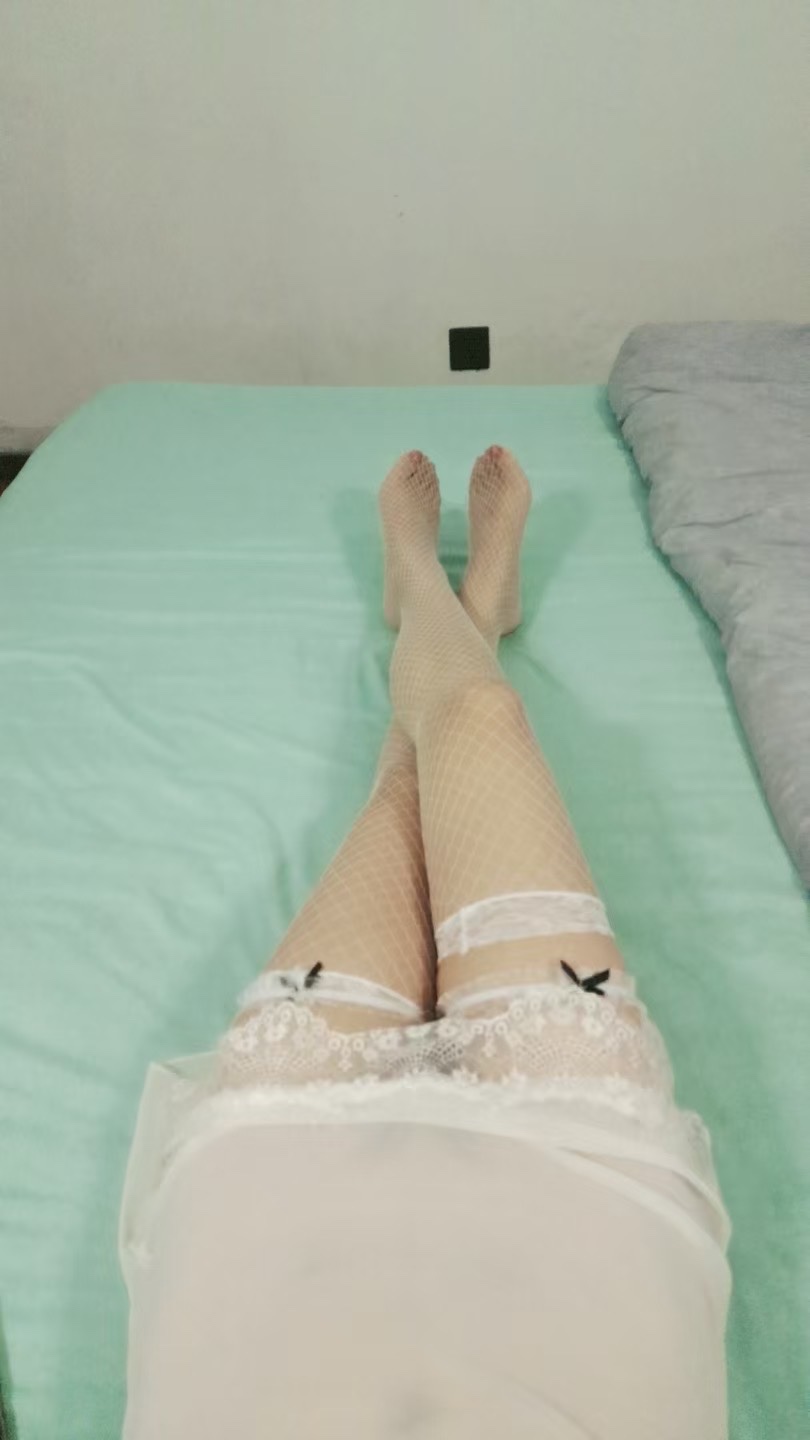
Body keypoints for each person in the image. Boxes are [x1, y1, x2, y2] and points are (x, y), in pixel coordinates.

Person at [119, 447, 731, 1439]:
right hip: (587, 1198)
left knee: (407, 793)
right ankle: (463, 618)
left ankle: (433, 598)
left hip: (270, 1202)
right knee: (479, 717)